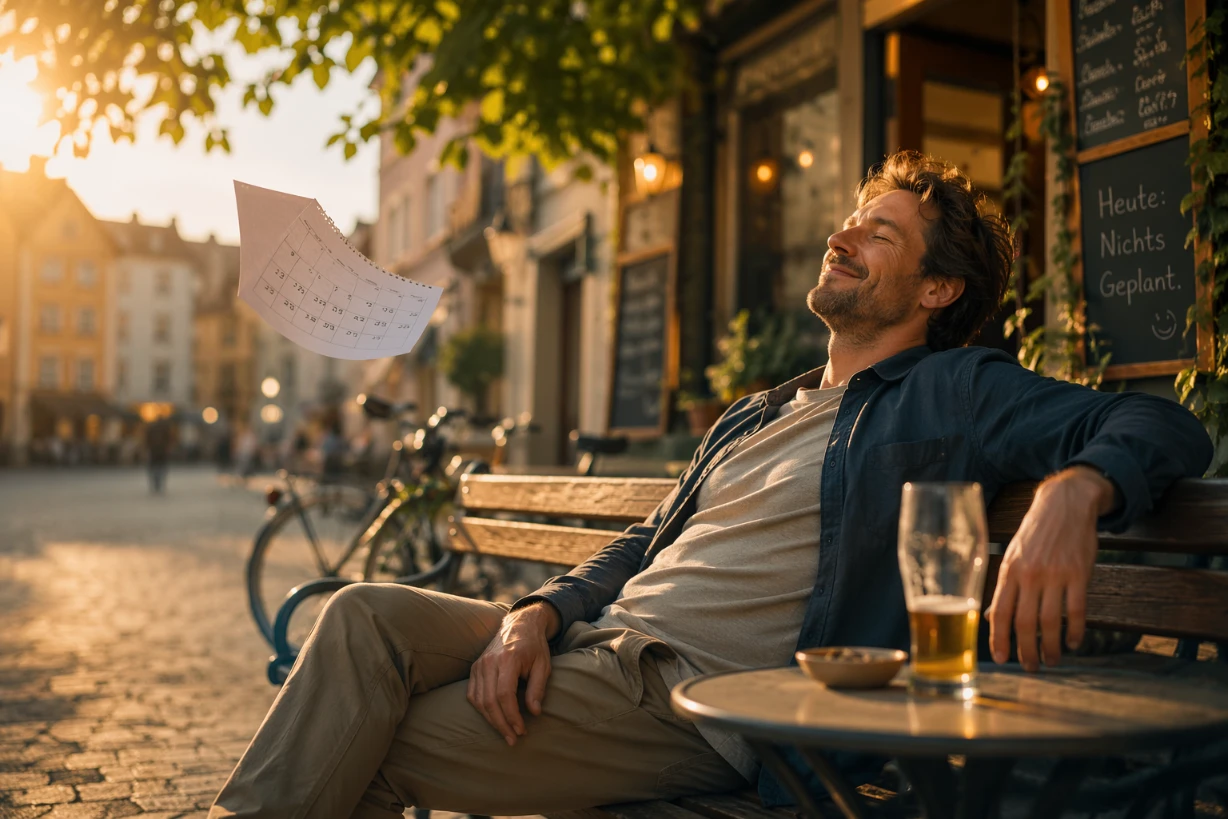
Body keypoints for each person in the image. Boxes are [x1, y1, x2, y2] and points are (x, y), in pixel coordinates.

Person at [208, 152, 1212, 819]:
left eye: (881, 236)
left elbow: (1160, 422)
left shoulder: (947, 390)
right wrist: (535, 612)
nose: (843, 239)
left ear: (937, 291)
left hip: (686, 695)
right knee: (360, 618)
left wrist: (1073, 494)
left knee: (353, 745)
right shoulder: (758, 411)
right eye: (850, 223)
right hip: (597, 645)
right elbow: (643, 546)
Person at [145, 415, 173, 494]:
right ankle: (159, 483)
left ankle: (156, 483)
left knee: (155, 468)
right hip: (160, 451)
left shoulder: (152, 428)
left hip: (154, 451)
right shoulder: (165, 428)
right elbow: (169, 439)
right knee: (161, 468)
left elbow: (147, 439)